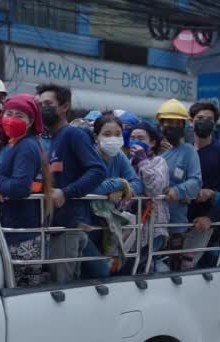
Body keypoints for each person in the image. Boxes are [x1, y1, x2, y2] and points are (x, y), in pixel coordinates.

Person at [36, 83, 107, 282]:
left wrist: (65, 193)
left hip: (69, 226)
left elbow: (98, 170)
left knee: (63, 287)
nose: (43, 109)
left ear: (65, 106)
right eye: (40, 104)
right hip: (59, 225)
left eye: (48, 104)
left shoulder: (73, 134)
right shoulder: (53, 139)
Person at [0, 94, 51, 287]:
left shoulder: (26, 146)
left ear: (30, 122)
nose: (12, 118)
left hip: (22, 235)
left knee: (22, 294)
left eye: (20, 115)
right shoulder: (13, 144)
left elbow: (20, 187)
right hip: (14, 230)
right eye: (8, 113)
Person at [80, 114, 142, 278]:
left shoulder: (119, 156)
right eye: (107, 134)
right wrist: (120, 184)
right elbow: (89, 187)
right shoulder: (89, 154)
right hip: (85, 222)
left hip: (107, 224)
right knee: (97, 271)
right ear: (96, 136)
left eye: (117, 134)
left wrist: (122, 189)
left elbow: (136, 183)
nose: (113, 139)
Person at [183, 101, 220, 269]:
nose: (204, 121)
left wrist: (210, 217)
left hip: (210, 227)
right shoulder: (185, 151)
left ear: (214, 124)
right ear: (191, 121)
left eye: (209, 119)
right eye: (200, 118)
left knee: (203, 272)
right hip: (181, 222)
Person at [156, 99, 202, 271]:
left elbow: (196, 182)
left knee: (172, 271)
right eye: (168, 122)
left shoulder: (188, 151)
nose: (173, 126)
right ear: (160, 124)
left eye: (177, 123)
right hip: (150, 222)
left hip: (175, 225)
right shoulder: (151, 151)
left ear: (184, 126)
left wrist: (177, 190)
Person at [127, 122, 170, 272]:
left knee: (146, 266)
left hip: (153, 227)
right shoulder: (127, 162)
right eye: (132, 138)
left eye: (140, 138)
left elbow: (155, 189)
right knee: (132, 268)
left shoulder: (159, 162)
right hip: (132, 227)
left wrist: (143, 161)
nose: (135, 141)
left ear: (152, 142)